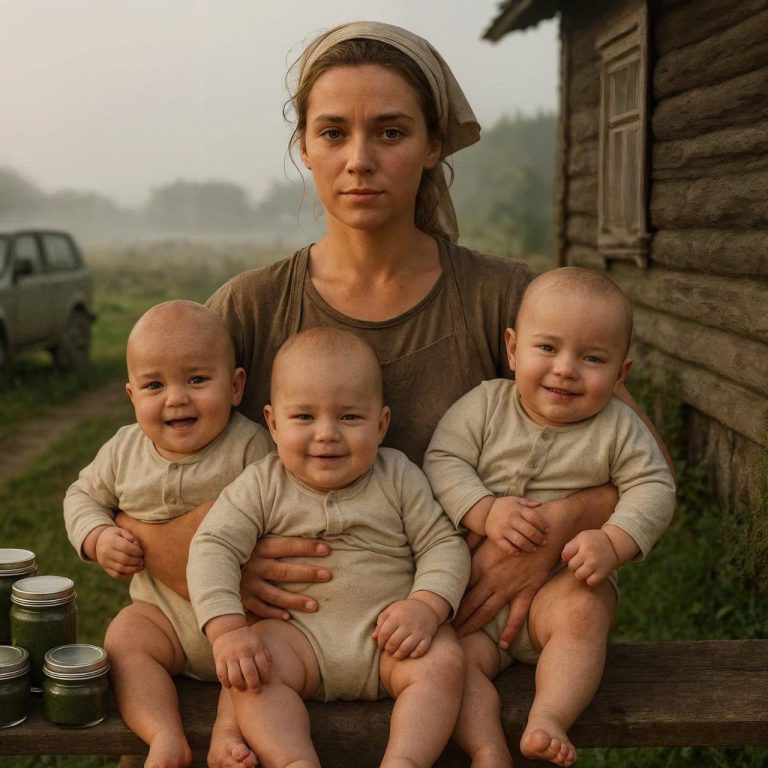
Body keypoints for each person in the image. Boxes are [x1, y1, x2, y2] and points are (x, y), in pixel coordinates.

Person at [114, 21, 672, 767]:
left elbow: (641, 455)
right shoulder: (250, 309)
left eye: (391, 132)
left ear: (433, 145)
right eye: (333, 133)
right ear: (303, 147)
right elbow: (138, 477)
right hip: (286, 662)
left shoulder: (502, 298)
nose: (359, 160)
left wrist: (563, 524)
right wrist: (199, 559)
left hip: (456, 650)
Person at [423, 267, 677, 767]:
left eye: (592, 358)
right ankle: (487, 747)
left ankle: (550, 717)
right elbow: (443, 460)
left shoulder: (617, 429)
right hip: (477, 595)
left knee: (583, 613)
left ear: (621, 373)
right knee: (449, 661)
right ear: (513, 349)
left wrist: (613, 540)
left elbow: (654, 485)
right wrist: (485, 509)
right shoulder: (486, 405)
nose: (566, 369)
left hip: (561, 587)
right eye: (548, 349)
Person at [187, 327, 470, 768]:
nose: (326, 434)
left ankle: (405, 761)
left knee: (444, 662)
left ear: (381, 425)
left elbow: (442, 544)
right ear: (273, 423)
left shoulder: (397, 475)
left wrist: (427, 607)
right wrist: (227, 631)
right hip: (297, 640)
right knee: (253, 673)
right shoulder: (262, 484)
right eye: (303, 417)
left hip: (391, 640)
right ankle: (294, 760)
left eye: (350, 418)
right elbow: (213, 546)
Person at [63, 300, 272, 768]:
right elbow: (81, 496)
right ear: (132, 395)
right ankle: (163, 736)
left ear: (235, 386)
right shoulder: (124, 451)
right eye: (154, 385)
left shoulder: (251, 448)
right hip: (164, 617)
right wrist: (97, 537)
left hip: (244, 620)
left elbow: (285, 510)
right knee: (124, 640)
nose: (176, 398)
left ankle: (226, 735)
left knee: (268, 659)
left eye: (197, 380)